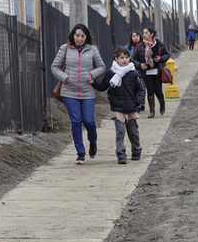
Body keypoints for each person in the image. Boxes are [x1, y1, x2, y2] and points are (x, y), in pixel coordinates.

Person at [51, 23, 106, 164]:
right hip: (69, 92)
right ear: (73, 36)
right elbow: (54, 67)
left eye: (82, 36)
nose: (79, 38)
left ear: (86, 37)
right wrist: (65, 77)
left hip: (87, 92)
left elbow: (102, 66)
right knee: (76, 121)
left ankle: (93, 141)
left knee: (89, 121)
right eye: (77, 35)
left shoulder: (92, 50)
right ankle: (80, 153)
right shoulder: (65, 49)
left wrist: (91, 75)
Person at [104, 46, 145, 164]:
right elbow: (103, 86)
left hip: (131, 107)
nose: (124, 60)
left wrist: (137, 101)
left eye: (126, 57)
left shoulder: (133, 73)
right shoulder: (111, 73)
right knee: (120, 132)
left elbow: (140, 88)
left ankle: (136, 150)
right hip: (118, 107)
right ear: (116, 59)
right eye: (122, 57)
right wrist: (92, 82)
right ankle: (121, 154)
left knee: (133, 132)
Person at [132, 26, 170, 118]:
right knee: (150, 90)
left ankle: (162, 104)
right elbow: (134, 58)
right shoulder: (141, 46)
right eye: (143, 33)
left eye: (146, 33)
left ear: (152, 34)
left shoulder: (159, 44)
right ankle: (152, 111)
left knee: (158, 91)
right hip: (146, 72)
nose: (144, 35)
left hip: (157, 71)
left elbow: (167, 54)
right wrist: (140, 65)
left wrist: (161, 58)